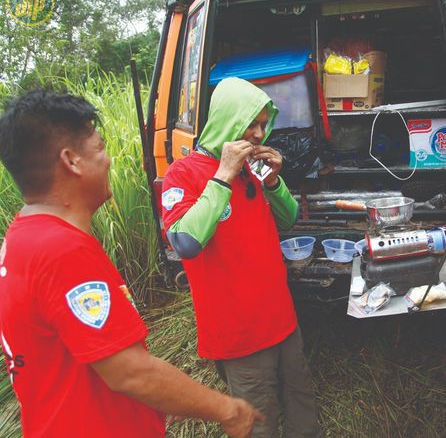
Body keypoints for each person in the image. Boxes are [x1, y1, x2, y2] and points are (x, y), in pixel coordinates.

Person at [0, 89, 264, 438]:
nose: (108, 160)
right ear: (71, 161)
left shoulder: (20, 238)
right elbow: (131, 372)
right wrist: (227, 409)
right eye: (100, 148)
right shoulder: (62, 251)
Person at [161, 77, 321, 438]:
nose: (259, 133)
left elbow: (289, 218)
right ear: (226, 119)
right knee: (258, 417)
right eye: (251, 123)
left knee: (300, 396)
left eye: (264, 124)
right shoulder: (183, 174)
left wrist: (274, 183)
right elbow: (184, 243)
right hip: (239, 329)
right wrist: (223, 175)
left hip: (280, 315)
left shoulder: (255, 167)